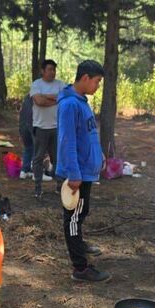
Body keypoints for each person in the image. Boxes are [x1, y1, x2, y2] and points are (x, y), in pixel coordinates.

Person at [56, 60, 108, 282]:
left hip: (85, 170)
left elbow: (87, 136)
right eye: (97, 82)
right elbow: (67, 142)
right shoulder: (69, 105)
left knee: (81, 213)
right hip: (77, 174)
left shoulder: (81, 102)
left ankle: (80, 245)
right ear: (85, 78)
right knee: (74, 219)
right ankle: (80, 267)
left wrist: (99, 156)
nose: (97, 86)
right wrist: (74, 174)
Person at [30, 59, 64, 199]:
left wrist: (47, 97)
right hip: (41, 127)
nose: (52, 72)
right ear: (43, 71)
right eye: (49, 69)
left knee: (58, 158)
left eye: (54, 70)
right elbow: (39, 101)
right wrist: (54, 99)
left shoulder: (61, 84)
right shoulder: (36, 84)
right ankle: (38, 188)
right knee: (38, 159)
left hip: (57, 127)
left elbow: (65, 98)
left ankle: (60, 186)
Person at [18, 93, 34, 179]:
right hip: (32, 126)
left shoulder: (26, 98)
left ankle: (24, 170)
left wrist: (20, 131)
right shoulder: (37, 97)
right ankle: (35, 172)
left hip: (24, 126)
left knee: (28, 148)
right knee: (36, 149)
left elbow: (21, 115)